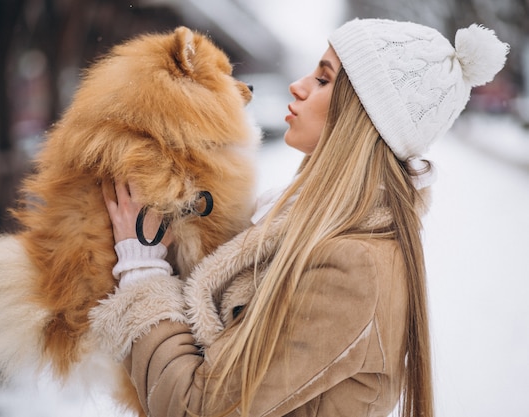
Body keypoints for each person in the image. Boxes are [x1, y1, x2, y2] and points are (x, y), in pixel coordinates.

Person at [89, 18, 509, 417]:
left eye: (323, 79)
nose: (297, 86)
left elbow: (198, 405)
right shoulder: (305, 224)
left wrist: (142, 270)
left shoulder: (353, 267)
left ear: (361, 118)